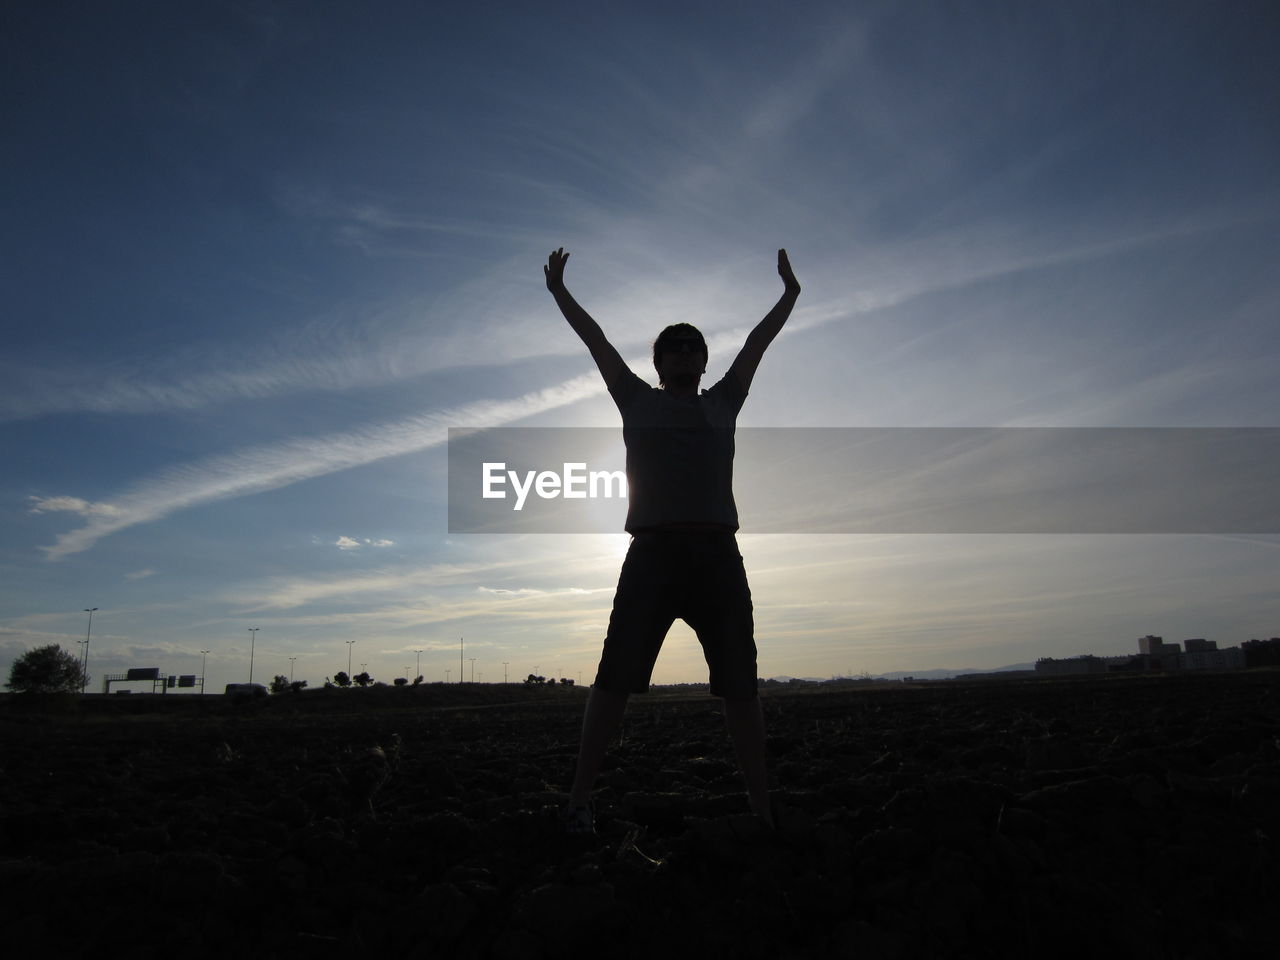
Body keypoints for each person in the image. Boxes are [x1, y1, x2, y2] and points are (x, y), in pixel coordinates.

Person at [545, 246, 801, 835]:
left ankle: (762, 810)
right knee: (613, 679)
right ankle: (578, 804)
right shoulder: (635, 400)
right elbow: (597, 343)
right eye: (674, 346)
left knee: (741, 686)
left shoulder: (725, 402)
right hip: (652, 557)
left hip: (717, 557)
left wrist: (788, 295)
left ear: (705, 363)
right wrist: (560, 292)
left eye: (695, 346)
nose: (686, 352)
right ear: (658, 362)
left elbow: (758, 344)